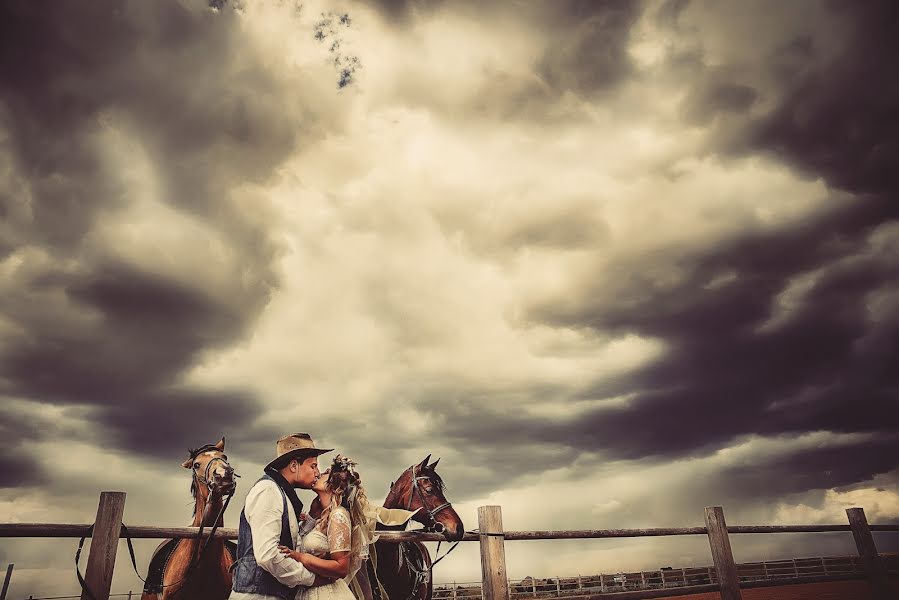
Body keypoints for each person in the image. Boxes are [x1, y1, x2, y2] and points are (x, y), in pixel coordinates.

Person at [277, 455, 417, 600]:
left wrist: (301, 557)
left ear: (332, 484)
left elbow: (341, 568)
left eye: (324, 473)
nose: (317, 474)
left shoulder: (338, 515)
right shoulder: (322, 516)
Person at [230, 433, 334, 600]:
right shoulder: (268, 491)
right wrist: (311, 578)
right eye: (313, 466)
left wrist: (313, 517)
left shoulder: (280, 493)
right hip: (258, 596)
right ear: (294, 465)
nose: (317, 472)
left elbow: (289, 543)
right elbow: (268, 555)